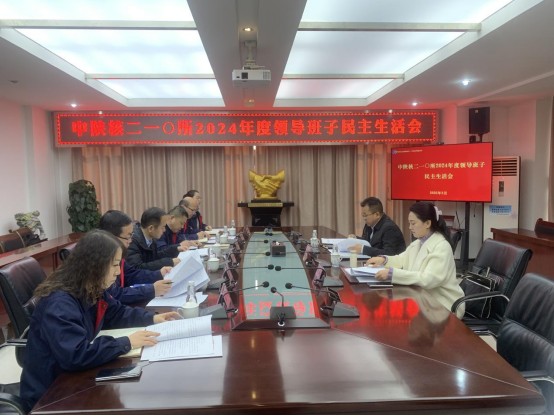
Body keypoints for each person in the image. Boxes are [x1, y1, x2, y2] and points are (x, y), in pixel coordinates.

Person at [20, 230, 181, 409]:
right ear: (95, 265)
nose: (118, 272)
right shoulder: (59, 303)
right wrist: (126, 342)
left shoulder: (90, 286)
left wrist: (153, 318)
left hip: (73, 378)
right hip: (49, 395)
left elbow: (116, 313)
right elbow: (76, 355)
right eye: (114, 265)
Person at [366, 201, 465, 318]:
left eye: (413, 223)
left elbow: (428, 279)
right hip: (424, 299)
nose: (410, 227)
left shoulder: (442, 246)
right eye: (409, 223)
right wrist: (383, 260)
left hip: (443, 304)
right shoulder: (418, 243)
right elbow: (401, 259)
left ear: (427, 223)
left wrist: (392, 274)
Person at [99, 210, 173, 303]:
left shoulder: (118, 255)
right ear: (111, 237)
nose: (130, 241)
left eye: (132, 235)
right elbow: (115, 294)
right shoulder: (100, 261)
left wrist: (159, 274)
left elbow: (132, 274)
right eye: (128, 237)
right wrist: (151, 290)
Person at [125, 207, 191, 272]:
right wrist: (169, 262)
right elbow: (138, 268)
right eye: (163, 227)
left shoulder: (151, 238)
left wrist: (175, 249)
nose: (164, 230)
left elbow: (155, 256)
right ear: (151, 228)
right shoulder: (132, 241)